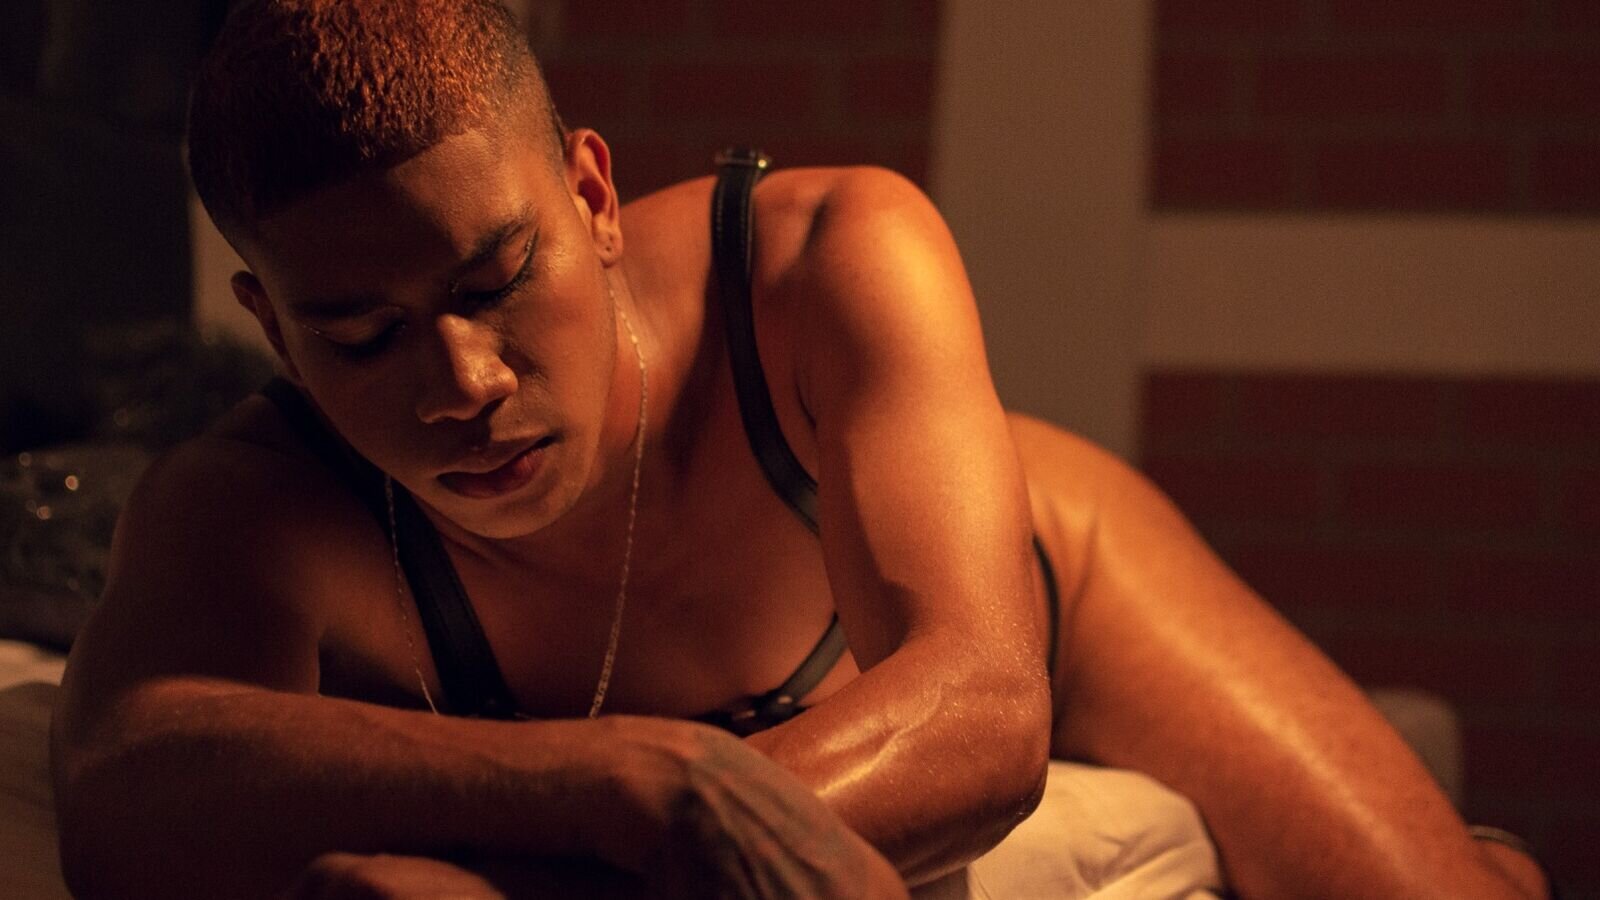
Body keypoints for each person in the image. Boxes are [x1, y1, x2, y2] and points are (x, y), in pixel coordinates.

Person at [50, 1, 1550, 897]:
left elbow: (981, 716)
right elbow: (125, 782)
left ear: (590, 194)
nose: (463, 383)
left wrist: (602, 837)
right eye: (361, 336)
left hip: (1054, 592)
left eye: (496, 282)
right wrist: (621, 783)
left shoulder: (825, 254)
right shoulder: (252, 500)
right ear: (269, 322)